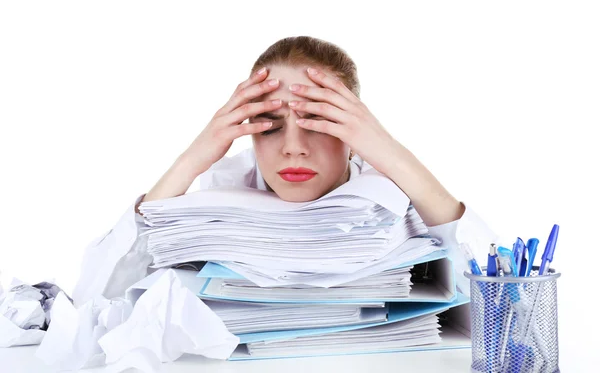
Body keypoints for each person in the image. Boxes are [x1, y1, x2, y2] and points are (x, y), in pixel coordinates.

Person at [72, 36, 497, 306]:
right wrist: (192, 158)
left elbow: (514, 307)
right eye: (270, 126)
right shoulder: (218, 196)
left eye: (317, 121)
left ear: (355, 132)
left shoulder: (393, 196)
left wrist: (395, 156)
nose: (293, 148)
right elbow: (97, 300)